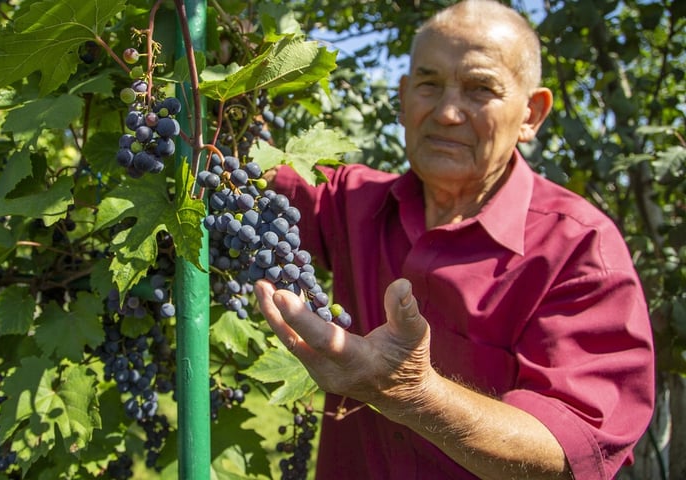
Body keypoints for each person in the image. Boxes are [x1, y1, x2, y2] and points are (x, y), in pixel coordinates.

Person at [253, 0, 656, 479]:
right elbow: (242, 170)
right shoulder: (352, 201)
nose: (446, 113)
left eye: (480, 88)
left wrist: (411, 393)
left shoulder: (581, 250)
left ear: (532, 114)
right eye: (428, 84)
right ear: (403, 97)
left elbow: (567, 452)